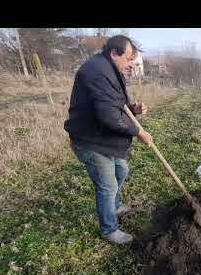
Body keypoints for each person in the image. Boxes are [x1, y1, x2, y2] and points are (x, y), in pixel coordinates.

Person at [64, 35, 153, 244]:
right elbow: (108, 115)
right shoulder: (96, 72)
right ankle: (108, 229)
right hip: (89, 139)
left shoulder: (110, 69)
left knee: (121, 170)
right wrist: (139, 132)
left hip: (102, 136)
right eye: (129, 58)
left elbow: (115, 106)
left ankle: (114, 206)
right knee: (107, 186)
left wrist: (133, 110)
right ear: (114, 53)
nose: (131, 64)